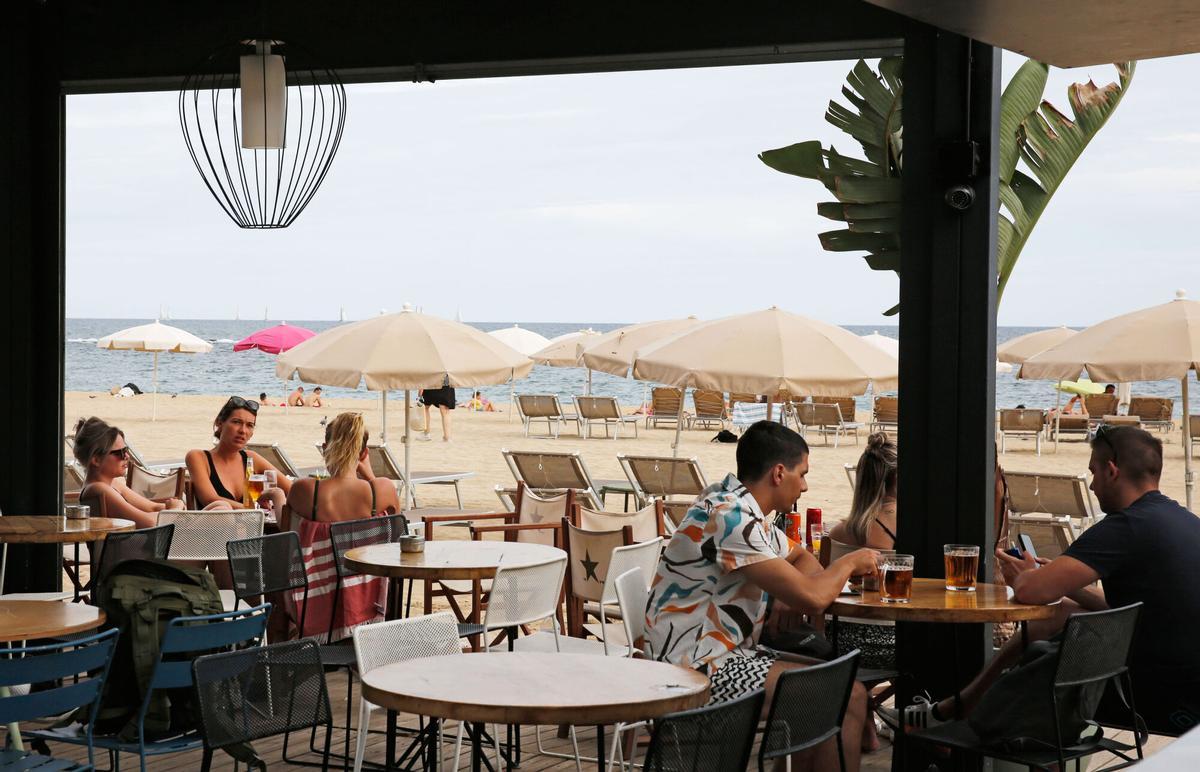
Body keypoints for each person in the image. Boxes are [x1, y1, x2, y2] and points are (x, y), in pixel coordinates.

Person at [902, 426, 1200, 735]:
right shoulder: (1186, 521)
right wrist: (1066, 583)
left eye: (1094, 473)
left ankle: (972, 721)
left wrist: (1023, 577)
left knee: (1040, 685)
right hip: (1187, 687)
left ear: (1112, 471)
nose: (1093, 486)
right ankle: (962, 705)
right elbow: (1128, 609)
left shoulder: (1125, 526)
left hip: (1159, 698)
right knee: (1059, 612)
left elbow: (1031, 592)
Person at [644, 421, 880, 772]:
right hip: (691, 670)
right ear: (779, 473)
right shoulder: (729, 518)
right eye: (803, 474)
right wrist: (849, 562)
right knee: (844, 696)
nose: (805, 485)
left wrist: (787, 592)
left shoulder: (736, 505)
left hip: (724, 654)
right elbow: (815, 598)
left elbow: (802, 559)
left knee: (844, 688)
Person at [72, 416, 183, 528]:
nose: (127, 456)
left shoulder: (111, 484)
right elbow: (150, 523)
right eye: (119, 453)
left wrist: (174, 508)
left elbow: (151, 507)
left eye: (126, 450)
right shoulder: (98, 489)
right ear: (96, 460)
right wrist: (175, 510)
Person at [185, 396, 291, 511]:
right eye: (236, 422)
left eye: (249, 425)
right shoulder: (198, 457)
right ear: (220, 423)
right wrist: (255, 510)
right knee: (222, 508)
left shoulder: (251, 458)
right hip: (217, 521)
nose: (243, 431)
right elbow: (210, 499)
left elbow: (292, 489)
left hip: (255, 522)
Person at [287, 412, 399, 522]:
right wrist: (371, 478)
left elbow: (287, 530)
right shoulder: (383, 489)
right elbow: (399, 531)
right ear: (364, 454)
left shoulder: (303, 490)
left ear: (325, 450)